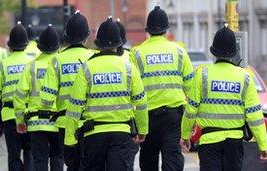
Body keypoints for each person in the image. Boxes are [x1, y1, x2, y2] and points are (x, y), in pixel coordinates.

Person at [180, 25, 267, 171]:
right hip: (234, 143)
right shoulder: (245, 77)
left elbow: (191, 110)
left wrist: (185, 136)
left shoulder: (202, 74)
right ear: (234, 52)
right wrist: (263, 145)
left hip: (209, 142)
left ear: (214, 52)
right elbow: (255, 115)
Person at [65, 16, 148, 170]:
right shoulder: (129, 68)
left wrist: (70, 137)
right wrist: (142, 130)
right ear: (119, 44)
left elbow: (75, 105)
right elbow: (141, 103)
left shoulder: (87, 68)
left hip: (93, 135)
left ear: (98, 44)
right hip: (121, 134)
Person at [129, 6, 194, 171]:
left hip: (147, 117)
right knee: (172, 160)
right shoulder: (179, 52)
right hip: (174, 117)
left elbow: (131, 90)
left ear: (148, 30)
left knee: (148, 161)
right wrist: (191, 121)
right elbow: (191, 88)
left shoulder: (136, 53)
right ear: (166, 29)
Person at [40, 10, 94, 171]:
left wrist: (47, 110)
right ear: (86, 37)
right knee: (89, 164)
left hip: (64, 122)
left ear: (67, 36)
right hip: (90, 123)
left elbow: (46, 97)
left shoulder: (57, 60)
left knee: (71, 164)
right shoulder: (93, 57)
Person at [14, 24, 63, 171]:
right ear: (57, 47)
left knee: (39, 161)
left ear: (39, 47)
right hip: (58, 122)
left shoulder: (31, 67)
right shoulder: (60, 65)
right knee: (58, 158)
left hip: (36, 123)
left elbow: (19, 96)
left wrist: (20, 120)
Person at [0, 22, 34, 171]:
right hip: (29, 115)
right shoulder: (32, 63)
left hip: (9, 116)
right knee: (30, 153)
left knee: (13, 155)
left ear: (10, 45)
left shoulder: (2, 65)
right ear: (26, 45)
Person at [116, 18, 140, 170]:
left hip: (97, 127)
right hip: (127, 124)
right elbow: (139, 95)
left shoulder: (93, 61)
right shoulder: (131, 58)